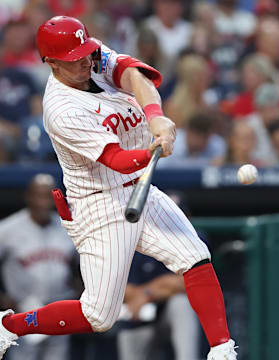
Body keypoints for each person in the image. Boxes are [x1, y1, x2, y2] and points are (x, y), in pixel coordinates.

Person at [0, 16, 237, 360]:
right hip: (100, 202)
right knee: (99, 315)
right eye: (73, 59)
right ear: (50, 62)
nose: (84, 61)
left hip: (135, 186)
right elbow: (117, 160)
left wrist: (155, 116)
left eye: (85, 53)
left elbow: (132, 75)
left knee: (195, 256)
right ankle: (10, 326)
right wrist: (154, 149)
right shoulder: (61, 110)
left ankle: (221, 349)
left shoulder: (89, 54)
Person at [0, 174, 75, 360]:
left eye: (48, 197)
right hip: (25, 309)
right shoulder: (7, 229)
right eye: (38, 196)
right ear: (28, 197)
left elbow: (82, 265)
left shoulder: (67, 227)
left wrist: (80, 286)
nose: (43, 202)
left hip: (60, 309)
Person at [118, 252, 200, 360]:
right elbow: (112, 288)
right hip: (135, 318)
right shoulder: (120, 239)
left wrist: (146, 294)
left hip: (167, 314)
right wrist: (161, 287)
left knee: (182, 303)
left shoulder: (188, 236)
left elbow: (187, 282)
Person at [159, 111, 227, 167]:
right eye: (197, 136)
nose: (200, 142)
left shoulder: (217, 144)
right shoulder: (170, 141)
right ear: (188, 132)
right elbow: (158, 170)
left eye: (204, 138)